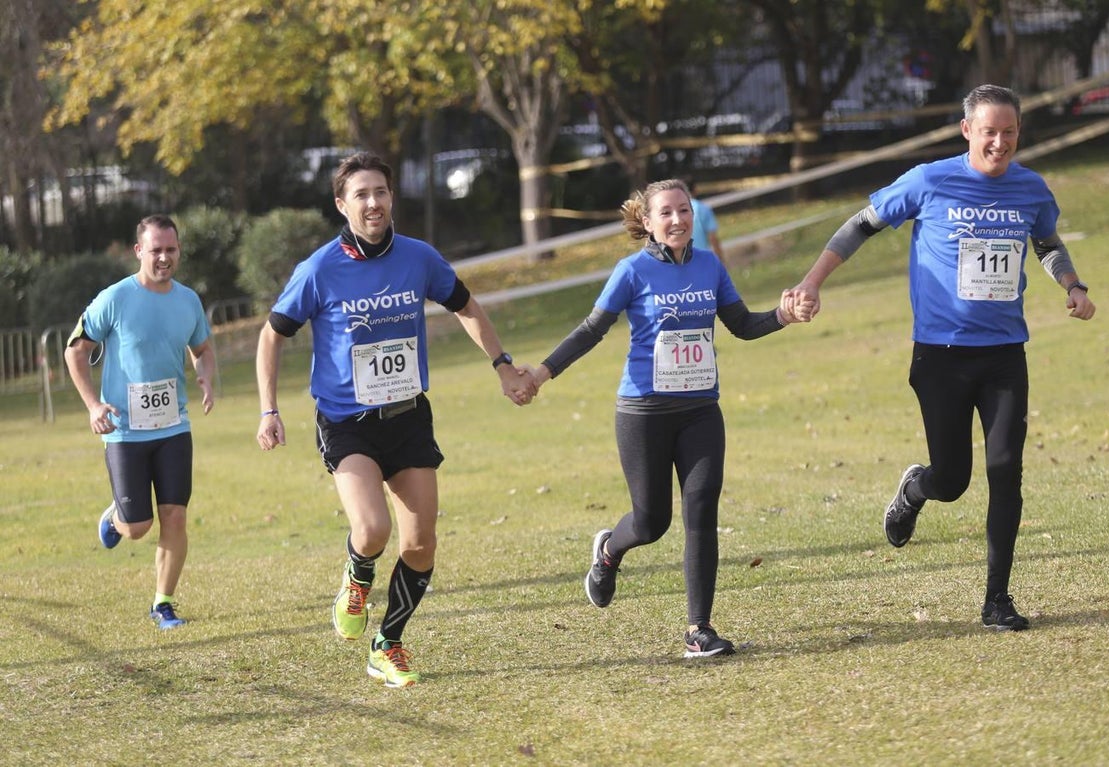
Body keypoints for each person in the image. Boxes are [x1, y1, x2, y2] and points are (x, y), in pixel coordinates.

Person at [787, 84, 1096, 631]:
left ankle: (997, 600)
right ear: (966, 131)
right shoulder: (931, 180)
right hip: (941, 356)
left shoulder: (1031, 189)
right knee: (953, 480)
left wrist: (1071, 285)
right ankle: (915, 489)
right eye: (989, 132)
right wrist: (813, 280)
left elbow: (1046, 244)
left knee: (1006, 472)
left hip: (1004, 356)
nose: (999, 142)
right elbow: (861, 225)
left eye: (1009, 132)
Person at [255, 151, 535, 687]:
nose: (373, 202)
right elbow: (272, 334)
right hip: (346, 421)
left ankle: (389, 644)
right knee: (373, 528)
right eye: (360, 194)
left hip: (408, 416)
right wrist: (270, 409)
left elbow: (467, 306)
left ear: (391, 198)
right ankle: (357, 578)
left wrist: (502, 365)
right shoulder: (318, 270)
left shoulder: (419, 258)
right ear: (342, 205)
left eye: (380, 192)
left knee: (420, 543)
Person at [528, 178, 801, 658]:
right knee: (652, 522)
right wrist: (543, 372)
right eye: (667, 213)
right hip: (643, 413)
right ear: (649, 223)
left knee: (701, 510)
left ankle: (699, 629)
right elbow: (592, 329)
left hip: (700, 411)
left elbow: (740, 325)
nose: (677, 220)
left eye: (684, 211)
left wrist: (782, 316)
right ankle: (610, 550)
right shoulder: (631, 271)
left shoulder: (710, 266)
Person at [64, 214, 216, 630]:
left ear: (179, 250)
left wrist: (205, 373)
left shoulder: (188, 300)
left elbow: (202, 348)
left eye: (171, 250)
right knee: (136, 528)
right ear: (139, 251)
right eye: (156, 250)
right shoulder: (113, 298)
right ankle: (116, 514)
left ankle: (163, 604)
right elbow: (75, 351)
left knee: (176, 516)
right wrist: (94, 405)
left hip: (173, 426)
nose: (164, 258)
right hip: (124, 430)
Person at [686, 176, 725, 264]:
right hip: (701, 260)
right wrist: (720, 262)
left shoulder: (674, 214)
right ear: (695, 189)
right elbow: (713, 238)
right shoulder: (702, 209)